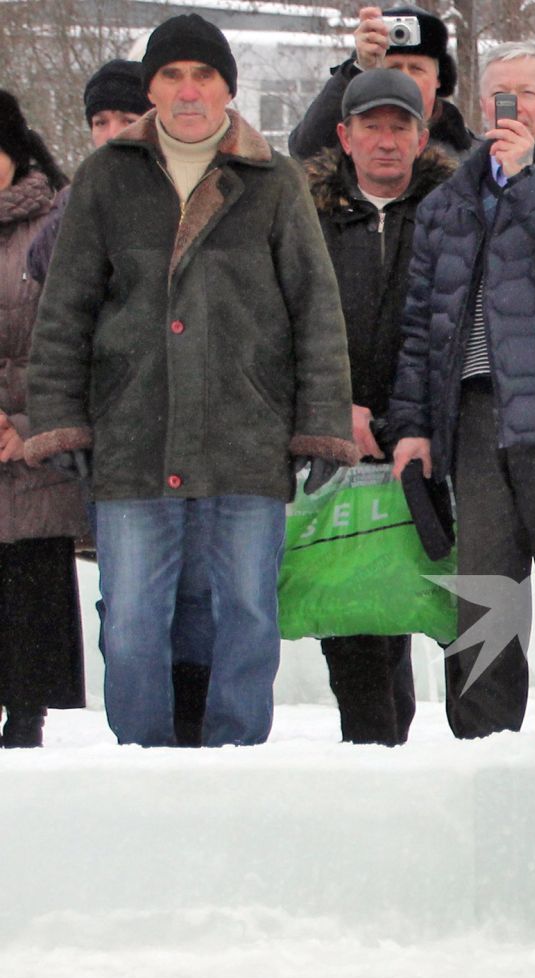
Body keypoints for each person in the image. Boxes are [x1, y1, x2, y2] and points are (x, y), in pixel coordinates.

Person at [26, 15, 357, 747]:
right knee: (135, 620)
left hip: (246, 437)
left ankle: (235, 757)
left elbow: (315, 308)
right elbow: (66, 308)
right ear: (151, 88)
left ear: (226, 88)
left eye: (202, 75)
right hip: (132, 438)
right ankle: (142, 764)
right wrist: (59, 415)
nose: (187, 90)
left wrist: (320, 422)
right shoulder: (105, 178)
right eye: (171, 75)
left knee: (245, 614)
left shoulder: (273, 180)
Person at [388, 43, 535, 740]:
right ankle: (482, 747)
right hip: (471, 419)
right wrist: (413, 425)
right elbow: (420, 326)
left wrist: (528, 180)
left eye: (526, 93)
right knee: (484, 603)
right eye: (500, 93)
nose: (512, 106)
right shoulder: (446, 203)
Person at [27, 57, 217, 746]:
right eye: (98, 122)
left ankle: (193, 732)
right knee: (130, 605)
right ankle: (139, 744)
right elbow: (47, 276)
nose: (111, 131)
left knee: (200, 598)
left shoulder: (206, 181)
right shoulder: (86, 196)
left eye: (122, 117)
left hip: (207, 430)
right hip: (122, 433)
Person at [306, 69, 454, 744]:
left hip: (428, 438)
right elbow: (286, 323)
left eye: (400, 126)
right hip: (336, 435)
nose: (386, 140)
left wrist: (411, 420)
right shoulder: (307, 215)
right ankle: (371, 756)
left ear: (422, 137)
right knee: (351, 610)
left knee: (424, 598)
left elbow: (453, 327)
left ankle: (433, 762)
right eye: (372, 125)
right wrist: (336, 408)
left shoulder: (453, 211)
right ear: (345, 135)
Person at [0, 93, 84, 747]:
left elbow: (74, 336)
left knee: (28, 596)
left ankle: (26, 725)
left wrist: (26, 424)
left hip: (33, 442)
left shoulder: (59, 218)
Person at [288, 4, 474, 161]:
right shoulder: (355, 141)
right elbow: (305, 150)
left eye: (416, 69)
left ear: (439, 78)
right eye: (394, 68)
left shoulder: (469, 155)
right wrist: (357, 72)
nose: (405, 79)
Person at [27, 60, 148, 282]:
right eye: (100, 123)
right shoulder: (75, 195)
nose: (112, 134)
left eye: (128, 121)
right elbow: (42, 266)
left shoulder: (175, 192)